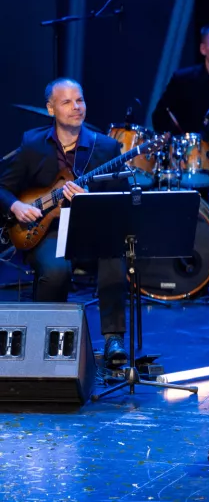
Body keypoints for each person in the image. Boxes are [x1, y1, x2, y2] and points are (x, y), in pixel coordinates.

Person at [0, 78, 128, 366]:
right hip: (47, 233)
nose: (76, 107)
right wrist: (17, 206)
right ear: (50, 109)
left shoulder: (105, 148)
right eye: (67, 102)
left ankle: (113, 339)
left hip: (91, 228)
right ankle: (47, 339)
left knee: (114, 255)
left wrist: (89, 199)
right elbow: (3, 188)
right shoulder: (32, 144)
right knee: (56, 270)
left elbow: (119, 200)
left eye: (79, 100)